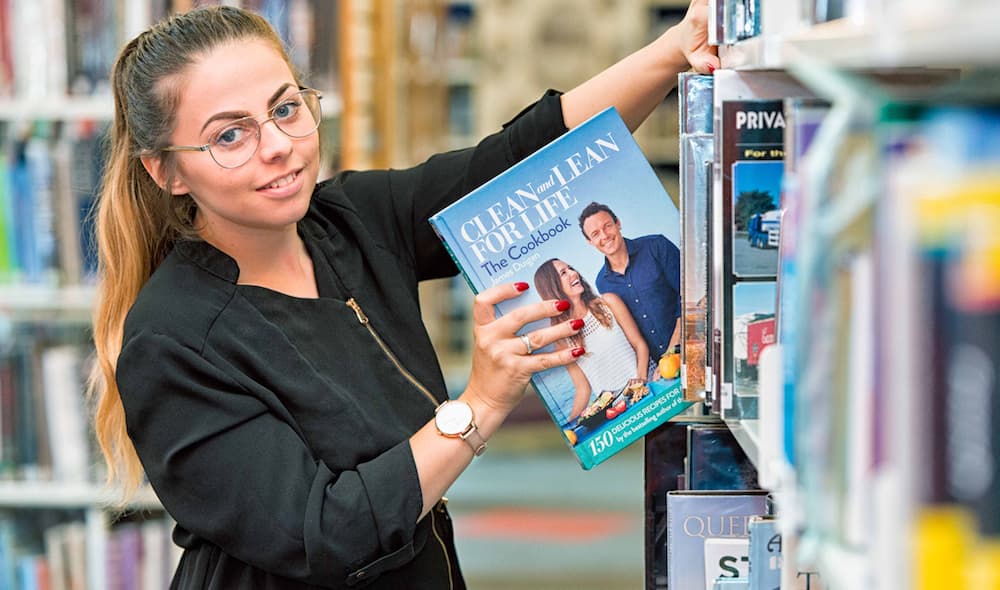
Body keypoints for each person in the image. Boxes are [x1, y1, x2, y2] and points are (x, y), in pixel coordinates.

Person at [88, 4, 717, 589]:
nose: (278, 145)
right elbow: (326, 533)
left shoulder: (350, 220)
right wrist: (481, 402)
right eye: (230, 136)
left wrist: (669, 52)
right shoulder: (171, 339)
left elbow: (521, 161)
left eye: (285, 109)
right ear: (165, 170)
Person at [533, 258, 649, 423]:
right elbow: (582, 389)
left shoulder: (608, 302)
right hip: (613, 414)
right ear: (552, 288)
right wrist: (568, 426)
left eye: (571, 268)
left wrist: (641, 380)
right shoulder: (562, 340)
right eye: (563, 273)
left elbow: (639, 344)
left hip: (645, 392)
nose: (574, 273)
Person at [579, 201, 682, 362]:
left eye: (607, 226)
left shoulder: (656, 246)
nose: (604, 236)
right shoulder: (603, 283)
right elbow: (630, 330)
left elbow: (689, 294)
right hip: (660, 368)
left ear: (618, 223)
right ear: (590, 242)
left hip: (691, 345)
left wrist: (672, 350)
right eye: (595, 234)